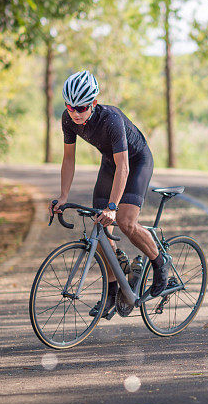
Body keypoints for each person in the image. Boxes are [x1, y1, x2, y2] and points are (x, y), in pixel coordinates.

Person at [51, 70, 171, 316]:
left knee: (126, 223)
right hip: (110, 163)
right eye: (70, 106)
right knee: (99, 231)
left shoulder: (111, 119)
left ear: (93, 103)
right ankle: (113, 291)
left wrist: (113, 208)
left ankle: (160, 263)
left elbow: (124, 167)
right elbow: (68, 159)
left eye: (81, 108)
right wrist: (63, 196)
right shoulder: (67, 119)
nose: (75, 113)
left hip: (136, 162)